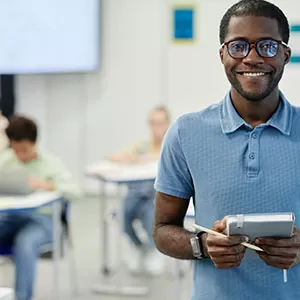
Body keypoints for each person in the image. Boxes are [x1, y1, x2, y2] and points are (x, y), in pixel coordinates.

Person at [153, 0, 300, 299]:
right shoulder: (185, 133)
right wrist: (202, 245)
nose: (252, 58)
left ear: (285, 54)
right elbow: (162, 230)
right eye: (238, 47)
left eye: (267, 46)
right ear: (222, 55)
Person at [0, 115, 81, 300]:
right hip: (9, 218)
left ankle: (22, 298)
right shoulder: (4, 161)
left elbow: (75, 191)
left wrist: (47, 185)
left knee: (25, 242)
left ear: (34, 143)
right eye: (15, 150)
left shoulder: (52, 163)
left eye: (24, 150)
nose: (20, 155)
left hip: (42, 220)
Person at [107, 105, 170, 275]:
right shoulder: (141, 146)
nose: (156, 128)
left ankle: (155, 250)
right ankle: (139, 247)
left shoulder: (171, 146)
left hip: (156, 197)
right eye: (153, 123)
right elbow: (113, 157)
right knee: (120, 216)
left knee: (151, 213)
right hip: (134, 196)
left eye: (160, 123)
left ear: (167, 124)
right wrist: (130, 158)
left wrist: (143, 159)